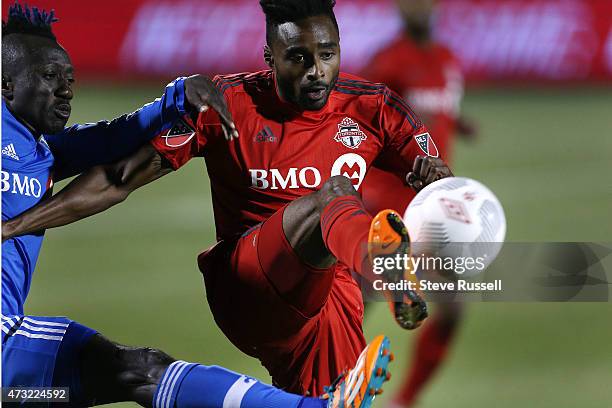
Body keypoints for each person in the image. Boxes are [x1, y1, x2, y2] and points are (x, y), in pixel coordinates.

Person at [3, 0, 454, 398]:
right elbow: (118, 177)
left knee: (327, 400)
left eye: (327, 54)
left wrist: (435, 181)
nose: (316, 70)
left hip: (324, 304)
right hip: (247, 286)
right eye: (298, 57)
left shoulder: (374, 108)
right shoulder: (228, 103)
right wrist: (11, 226)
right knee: (332, 196)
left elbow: (440, 179)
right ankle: (388, 271)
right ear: (269, 57)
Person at [360, 0, 476, 406]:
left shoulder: (447, 59)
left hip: (430, 207)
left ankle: (403, 401)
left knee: (453, 308)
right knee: (358, 302)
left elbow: (439, 110)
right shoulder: (386, 62)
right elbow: (356, 116)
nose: (420, 7)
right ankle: (315, 392)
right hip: (385, 204)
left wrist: (461, 126)